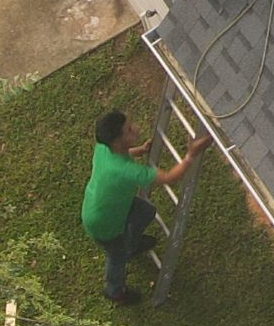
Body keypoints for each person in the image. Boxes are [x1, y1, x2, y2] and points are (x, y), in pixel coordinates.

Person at [82, 108, 197, 304]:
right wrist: (190, 156)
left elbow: (123, 154)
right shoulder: (127, 171)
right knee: (117, 255)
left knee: (146, 211)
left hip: (106, 204)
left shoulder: (103, 148)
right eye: (129, 130)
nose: (135, 128)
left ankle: (131, 244)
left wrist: (140, 150)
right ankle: (114, 290)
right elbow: (169, 177)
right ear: (117, 142)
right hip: (102, 223)